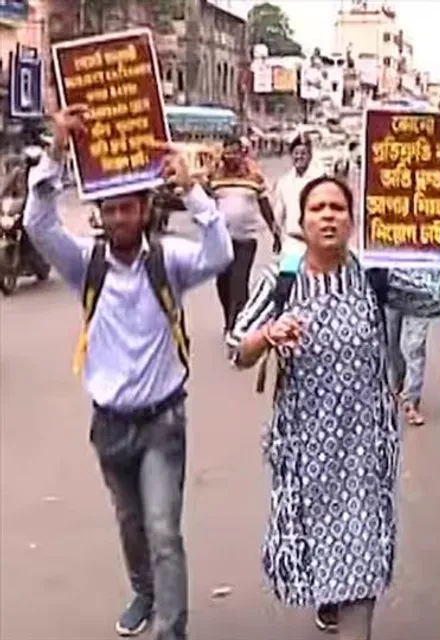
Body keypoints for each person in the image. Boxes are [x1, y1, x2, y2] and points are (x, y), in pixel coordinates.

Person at [24, 106, 234, 640]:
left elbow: (220, 253)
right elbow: (38, 224)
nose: (118, 218)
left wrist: (192, 191)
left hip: (163, 422)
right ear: (101, 214)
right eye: (109, 210)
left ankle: (172, 628)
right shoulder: (84, 265)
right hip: (109, 426)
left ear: (144, 211)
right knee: (132, 526)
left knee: (164, 531)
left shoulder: (170, 262)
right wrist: (55, 150)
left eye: (127, 209)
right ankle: (143, 590)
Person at [227, 176, 440, 640]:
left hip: (365, 449)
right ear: (302, 222)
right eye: (318, 208)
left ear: (352, 221)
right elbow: (238, 348)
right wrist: (268, 335)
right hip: (304, 451)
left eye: (337, 207)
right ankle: (328, 596)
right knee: (318, 550)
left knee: (363, 550)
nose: (328, 215)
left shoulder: (375, 276)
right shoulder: (282, 281)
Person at [207, 135, 281, 334]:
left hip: (246, 239)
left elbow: (264, 204)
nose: (230, 156)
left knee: (239, 283)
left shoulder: (253, 175)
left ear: (242, 153)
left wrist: (274, 229)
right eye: (227, 151)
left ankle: (236, 325)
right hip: (221, 241)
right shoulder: (214, 176)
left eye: (234, 152)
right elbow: (202, 203)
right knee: (222, 283)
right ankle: (230, 319)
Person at [272, 136, 320, 256]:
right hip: (291, 243)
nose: (299, 157)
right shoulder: (284, 182)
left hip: (315, 243)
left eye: (303, 153)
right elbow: (278, 215)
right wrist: (276, 237)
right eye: (296, 153)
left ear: (310, 156)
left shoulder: (319, 180)